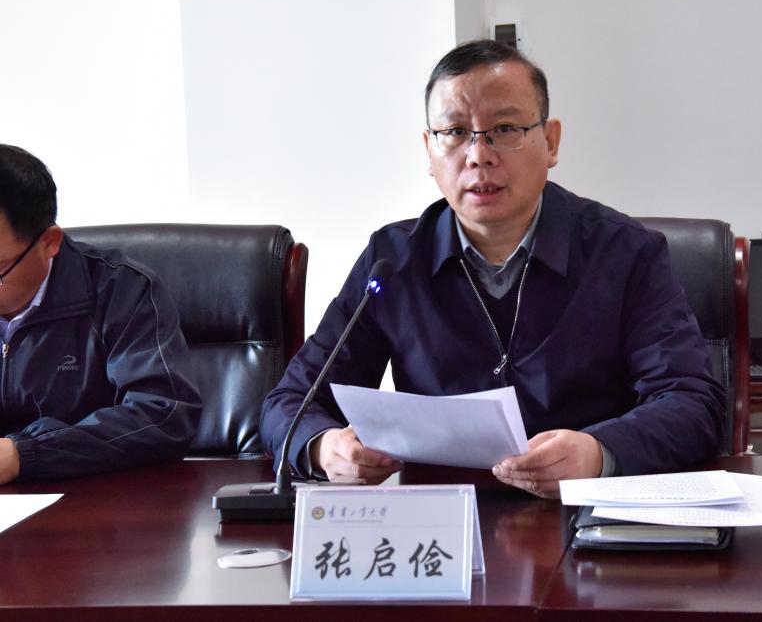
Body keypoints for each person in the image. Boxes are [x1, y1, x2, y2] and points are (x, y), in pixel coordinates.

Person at [260, 40, 725, 498]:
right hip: (440, 522)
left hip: (583, 518)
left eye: (504, 129)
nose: (478, 155)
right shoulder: (393, 261)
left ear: (551, 142)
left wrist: (599, 453)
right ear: (429, 149)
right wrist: (323, 447)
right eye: (455, 132)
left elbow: (693, 404)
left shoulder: (625, 253)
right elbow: (289, 403)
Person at [0, 145, 201, 484]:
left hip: (99, 501)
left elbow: (164, 414)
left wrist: (25, 454)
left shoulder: (124, 291)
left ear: (50, 243)